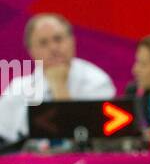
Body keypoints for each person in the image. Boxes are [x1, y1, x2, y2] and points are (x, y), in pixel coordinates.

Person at [0, 11, 114, 143]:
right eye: (43, 43)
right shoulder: (17, 89)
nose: (53, 48)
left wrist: (59, 87)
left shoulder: (97, 82)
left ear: (72, 41)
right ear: (31, 51)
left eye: (58, 39)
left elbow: (89, 139)